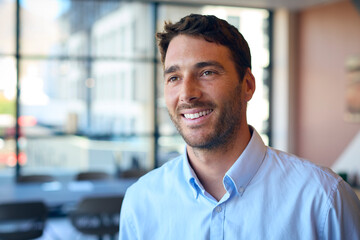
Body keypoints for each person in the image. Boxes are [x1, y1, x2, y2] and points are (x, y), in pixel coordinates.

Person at [119, 14, 360, 239]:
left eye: (207, 72)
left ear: (247, 85)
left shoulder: (323, 199)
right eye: (174, 78)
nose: (187, 94)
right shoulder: (140, 202)